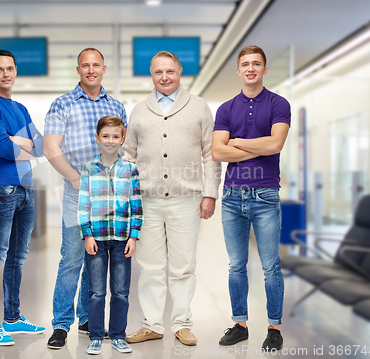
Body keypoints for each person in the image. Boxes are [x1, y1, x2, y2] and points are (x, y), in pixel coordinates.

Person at [124, 51, 221, 346]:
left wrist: (209, 194)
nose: (164, 77)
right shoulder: (139, 110)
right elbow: (128, 155)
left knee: (183, 266)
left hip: (186, 198)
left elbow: (210, 154)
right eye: (158, 72)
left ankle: (182, 323)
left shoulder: (199, 107)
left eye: (170, 71)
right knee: (150, 266)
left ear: (180, 72)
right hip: (147, 200)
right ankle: (152, 324)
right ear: (151, 75)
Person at [44, 48, 127, 349]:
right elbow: (51, 148)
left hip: (109, 196)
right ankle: (60, 324)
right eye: (85, 65)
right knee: (72, 259)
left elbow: (122, 149)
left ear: (104, 68)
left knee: (97, 257)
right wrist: (78, 180)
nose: (91, 70)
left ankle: (86, 318)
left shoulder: (117, 106)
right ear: (78, 70)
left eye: (96, 65)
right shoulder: (62, 104)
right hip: (76, 192)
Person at [211, 45, 291, 351]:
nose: (251, 68)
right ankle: (240, 324)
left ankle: (274, 328)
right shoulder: (226, 109)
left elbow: (275, 144)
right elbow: (218, 151)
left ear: (264, 69)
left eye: (256, 64)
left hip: (266, 195)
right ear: (238, 70)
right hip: (232, 197)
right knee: (236, 266)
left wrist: (240, 142)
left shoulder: (279, 104)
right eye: (245, 64)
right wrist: (260, 145)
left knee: (270, 266)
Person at [0, 49, 45, 346]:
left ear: (15, 71)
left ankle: (13, 318)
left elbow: (41, 147)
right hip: (2, 190)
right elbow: (3, 150)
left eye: (10, 68)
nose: (6, 74)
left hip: (27, 190)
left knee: (18, 258)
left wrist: (21, 141)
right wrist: (21, 143)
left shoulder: (20, 108)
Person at [78, 115, 143, 355]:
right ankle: (96, 336)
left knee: (121, 292)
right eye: (105, 136)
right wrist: (87, 234)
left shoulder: (130, 170)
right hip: (96, 237)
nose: (110, 141)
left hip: (122, 238)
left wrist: (134, 235)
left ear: (123, 138)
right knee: (96, 292)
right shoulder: (88, 169)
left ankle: (117, 335)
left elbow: (136, 205)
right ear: (97, 138)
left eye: (116, 136)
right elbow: (84, 204)